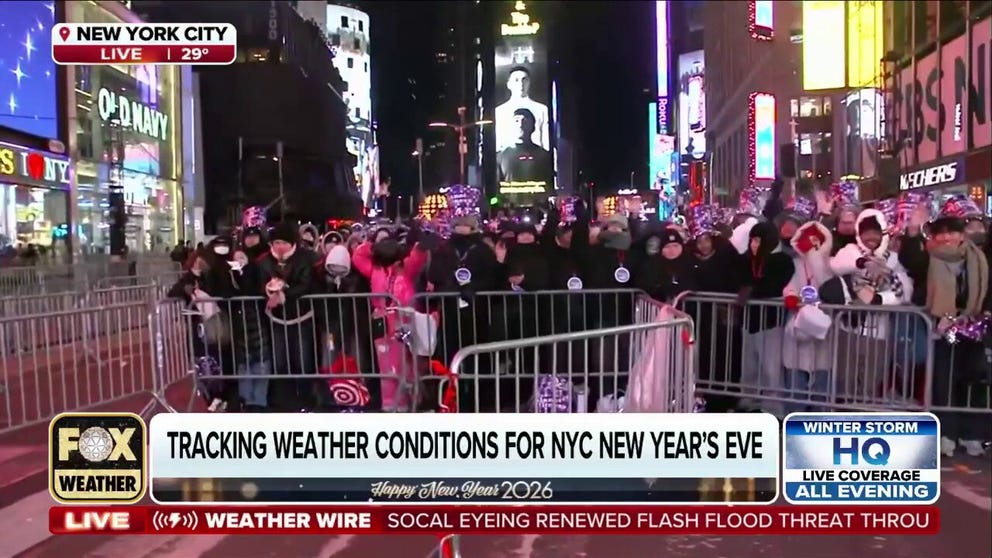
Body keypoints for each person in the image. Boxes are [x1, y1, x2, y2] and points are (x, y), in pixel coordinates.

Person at [898, 197, 989, 457]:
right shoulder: (929, 256)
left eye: (954, 231)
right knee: (944, 381)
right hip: (943, 330)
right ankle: (947, 434)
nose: (948, 237)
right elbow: (910, 258)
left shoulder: (977, 256)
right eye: (943, 232)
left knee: (972, 380)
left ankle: (972, 435)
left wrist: (979, 314)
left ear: (962, 235)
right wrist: (913, 231)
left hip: (972, 328)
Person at [820, 208, 913, 407]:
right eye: (866, 232)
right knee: (845, 379)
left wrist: (878, 300)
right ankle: (844, 417)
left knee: (871, 381)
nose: (870, 237)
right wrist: (863, 263)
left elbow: (905, 291)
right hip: (848, 328)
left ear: (883, 233)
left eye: (875, 232)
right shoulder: (850, 251)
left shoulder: (893, 259)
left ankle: (864, 420)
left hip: (878, 332)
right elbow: (836, 265)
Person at [781, 221, 836, 413]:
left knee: (822, 380)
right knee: (796, 381)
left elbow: (831, 288)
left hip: (824, 328)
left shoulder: (831, 264)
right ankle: (794, 421)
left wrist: (818, 262)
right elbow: (789, 285)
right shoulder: (793, 264)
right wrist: (790, 296)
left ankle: (819, 422)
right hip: (798, 325)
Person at [494, 66, 550, 151]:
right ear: (509, 84)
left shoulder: (541, 110)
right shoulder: (499, 112)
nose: (521, 84)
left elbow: (546, 141)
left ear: (529, 82)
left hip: (536, 158)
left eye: (524, 80)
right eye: (516, 80)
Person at [497, 108, 552, 185]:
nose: (520, 125)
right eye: (516, 121)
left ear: (533, 126)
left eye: (525, 121)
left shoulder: (544, 156)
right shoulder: (500, 156)